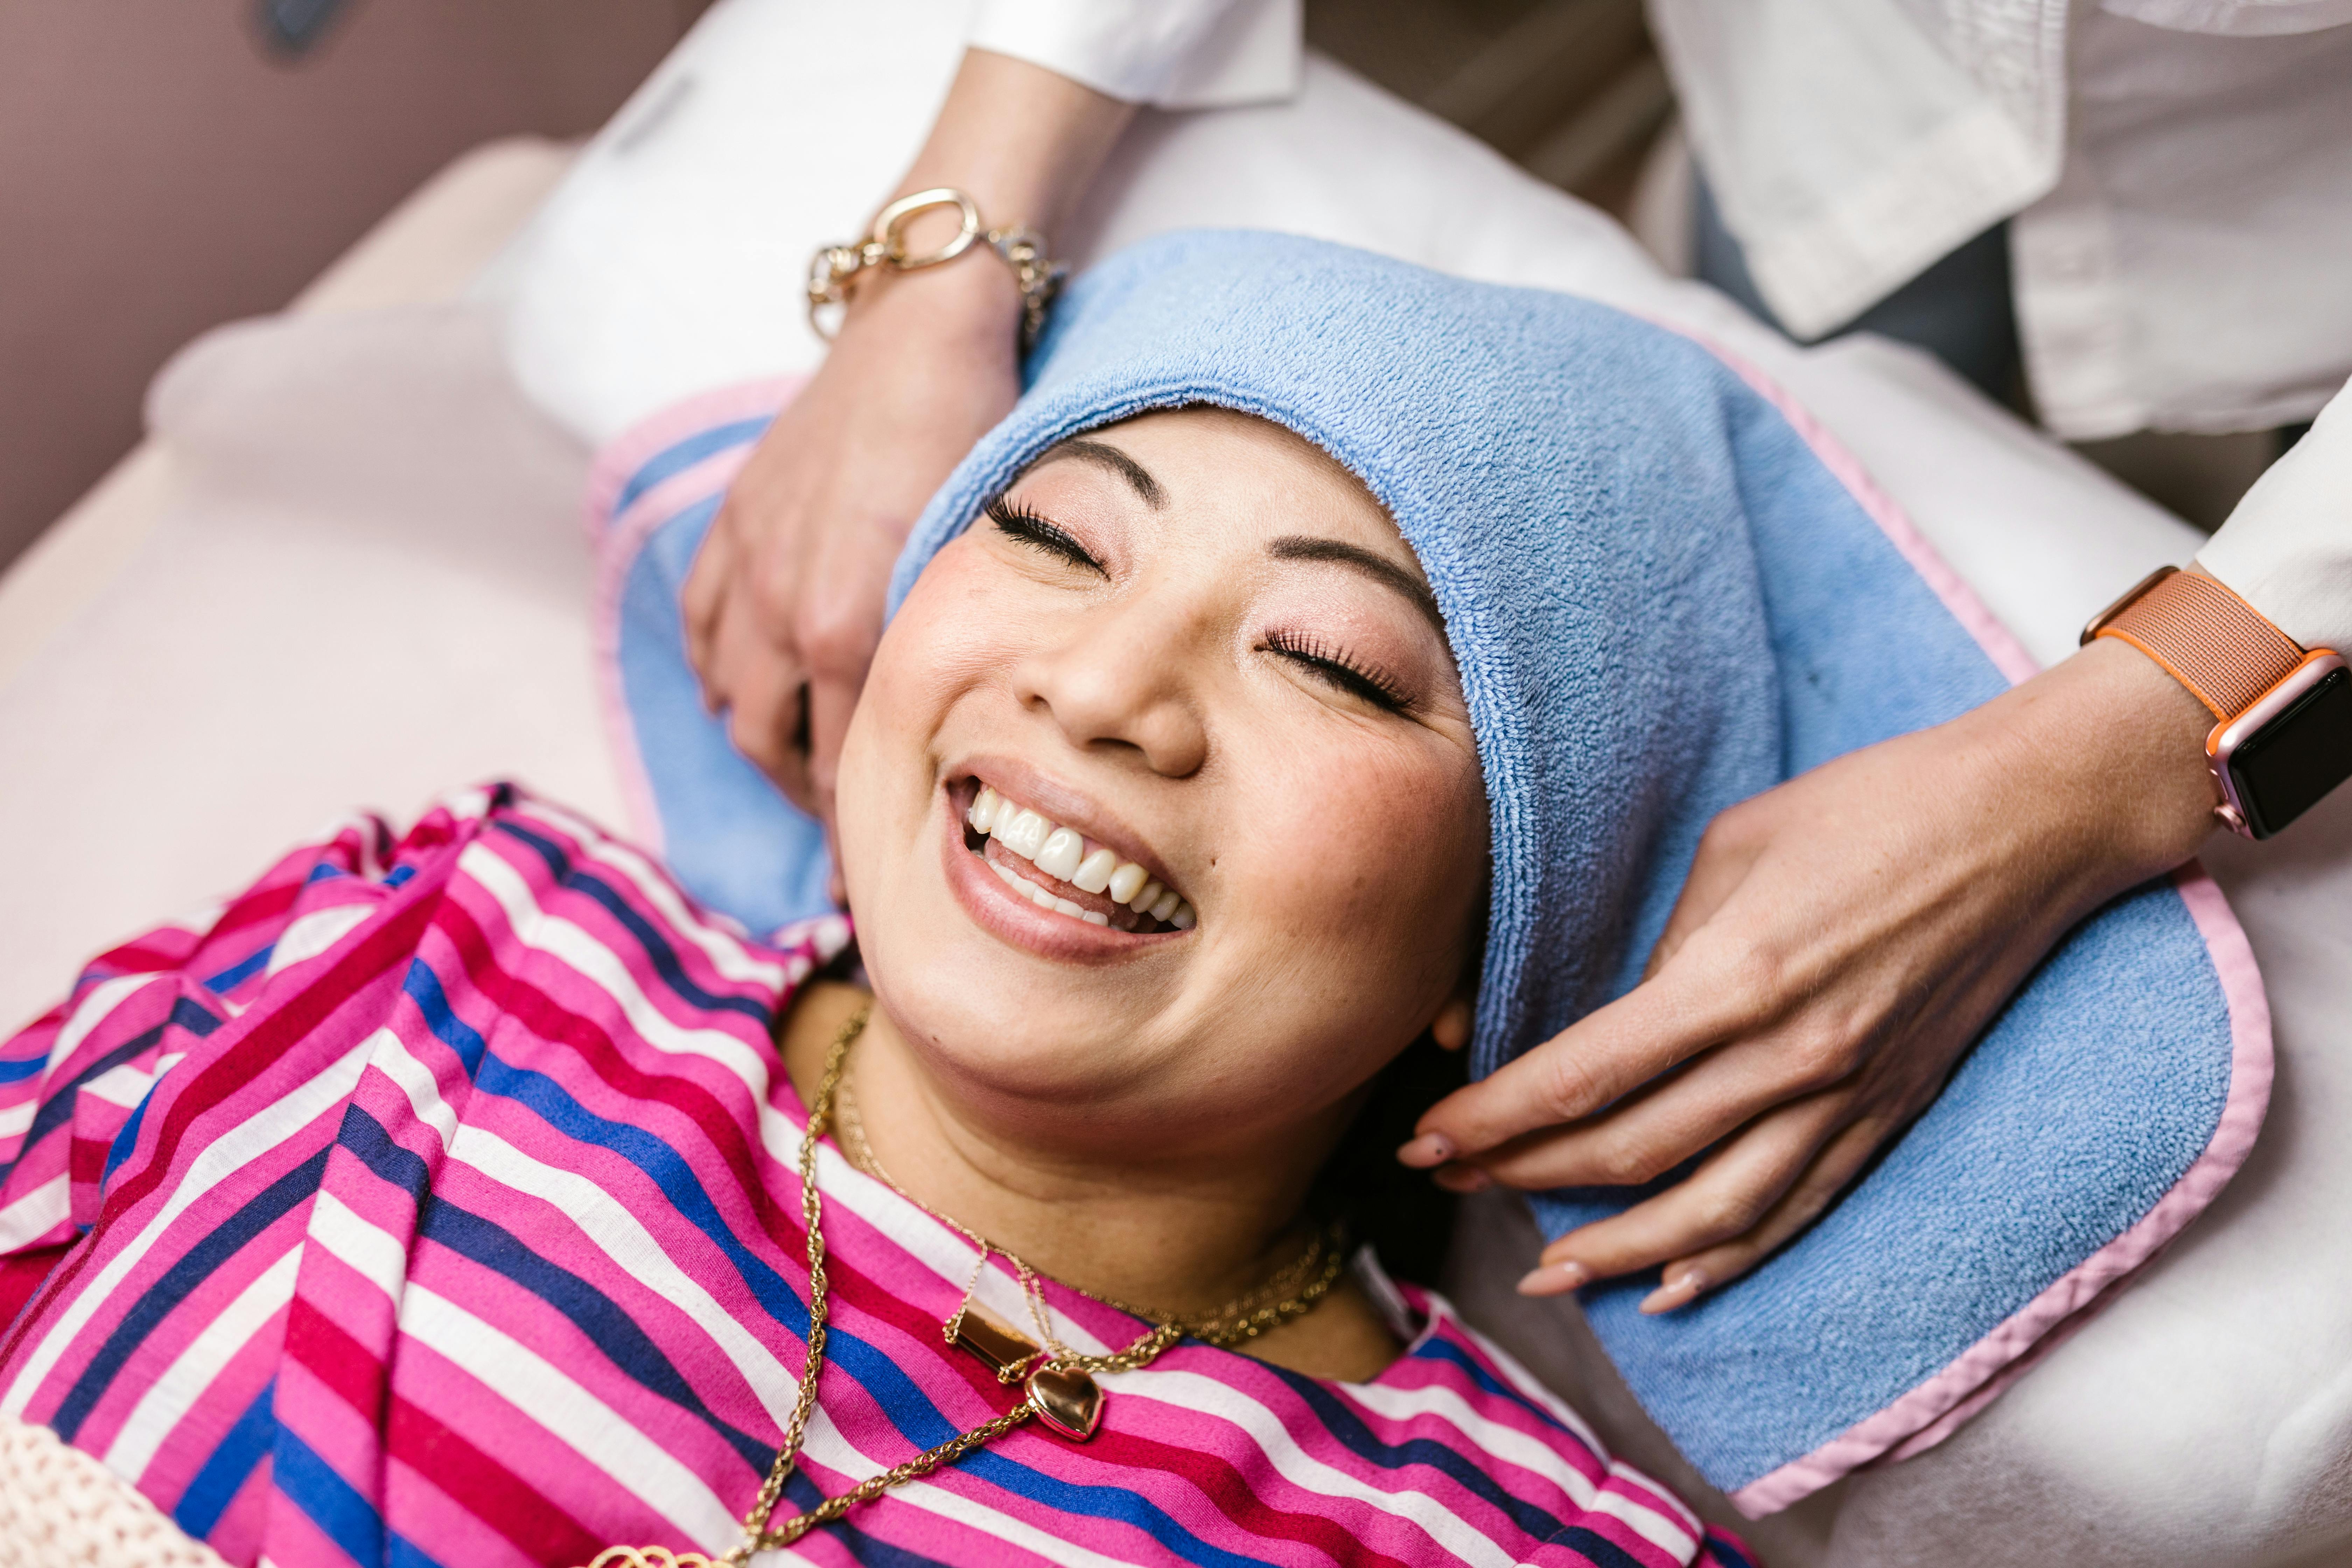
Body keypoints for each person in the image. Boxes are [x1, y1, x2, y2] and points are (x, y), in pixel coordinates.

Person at [681, 2, 2352, 1312]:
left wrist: (2159, 715)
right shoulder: (463, 915)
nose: (1104, 690)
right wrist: (947, 238)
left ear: (1495, 965)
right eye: (1050, 538)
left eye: (1331, 660)